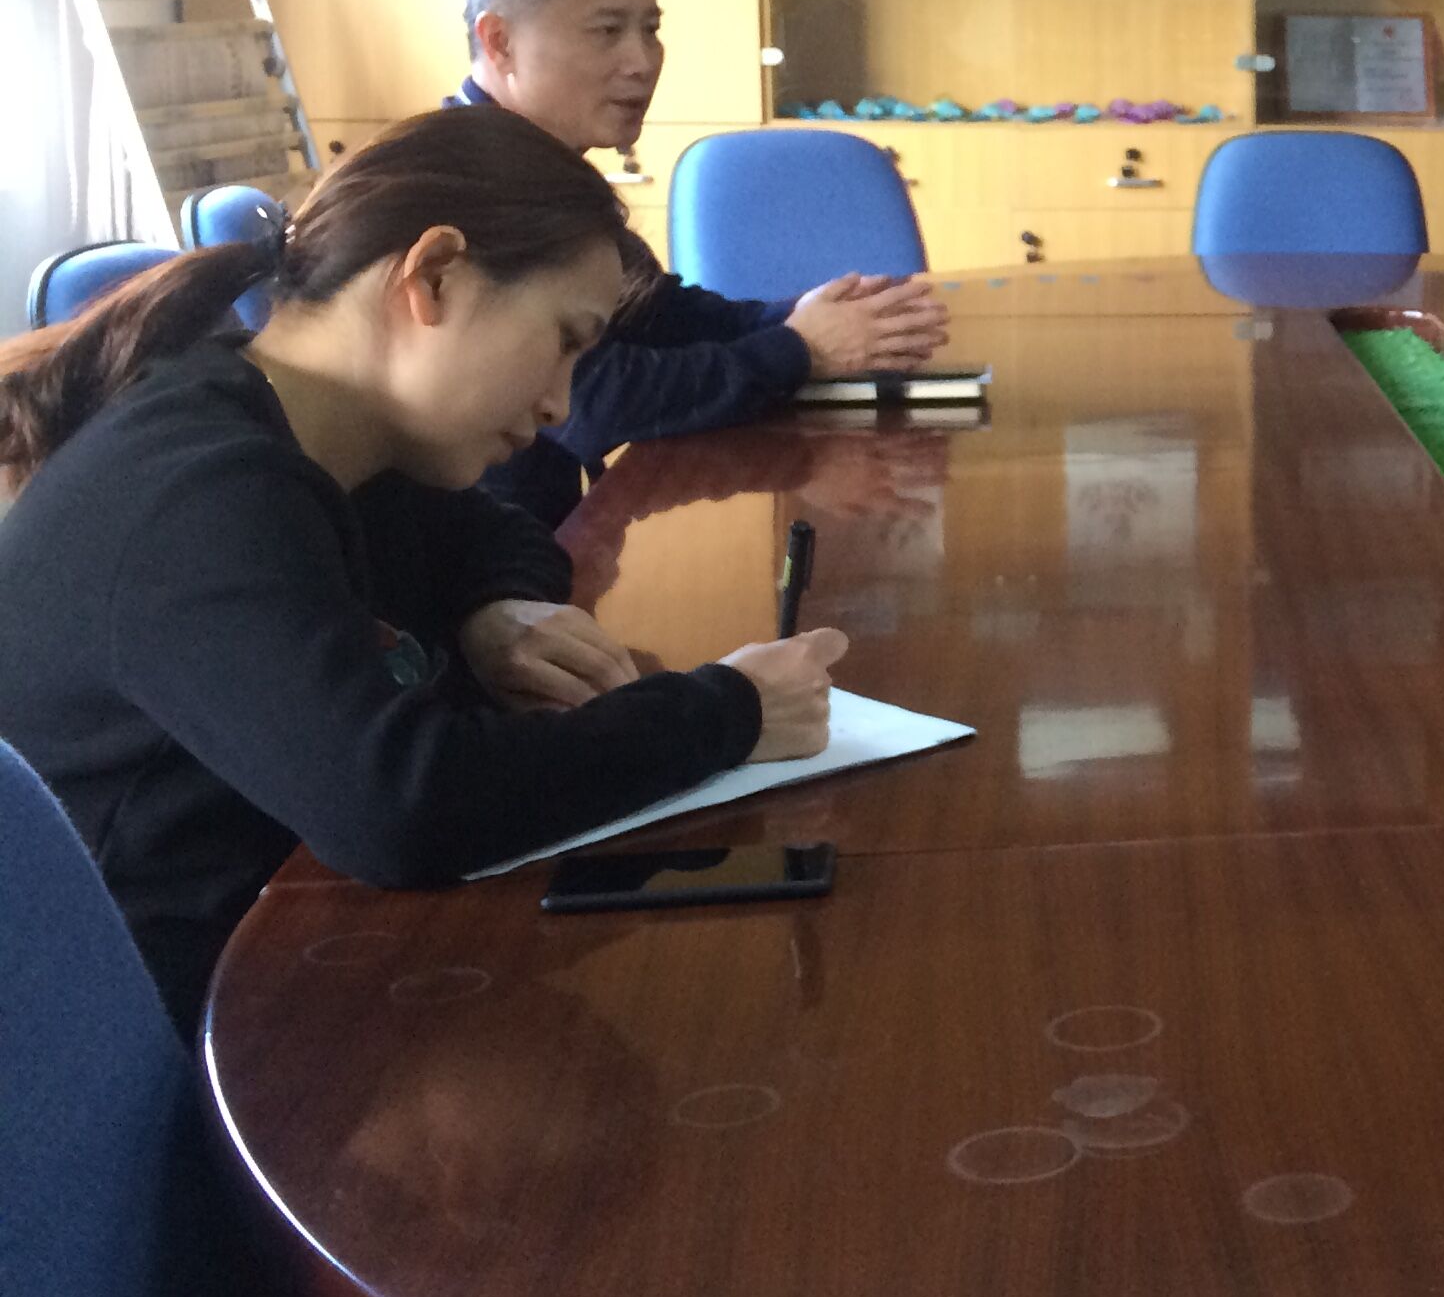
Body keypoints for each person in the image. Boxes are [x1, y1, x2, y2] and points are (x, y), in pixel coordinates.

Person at [0, 104, 846, 1021]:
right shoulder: (199, 488)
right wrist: (729, 710)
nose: (562, 406)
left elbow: (498, 534)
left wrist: (499, 611)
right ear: (434, 274)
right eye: (565, 340)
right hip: (160, 1030)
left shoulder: (336, 438)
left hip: (294, 945)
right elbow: (402, 806)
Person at [455, 0, 949, 525]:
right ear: (500, 41)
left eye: (651, 30)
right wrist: (799, 349)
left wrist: (800, 317)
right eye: (607, 31)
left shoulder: (537, 165)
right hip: (487, 561)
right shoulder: (467, 184)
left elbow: (653, 314)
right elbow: (589, 398)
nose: (642, 60)